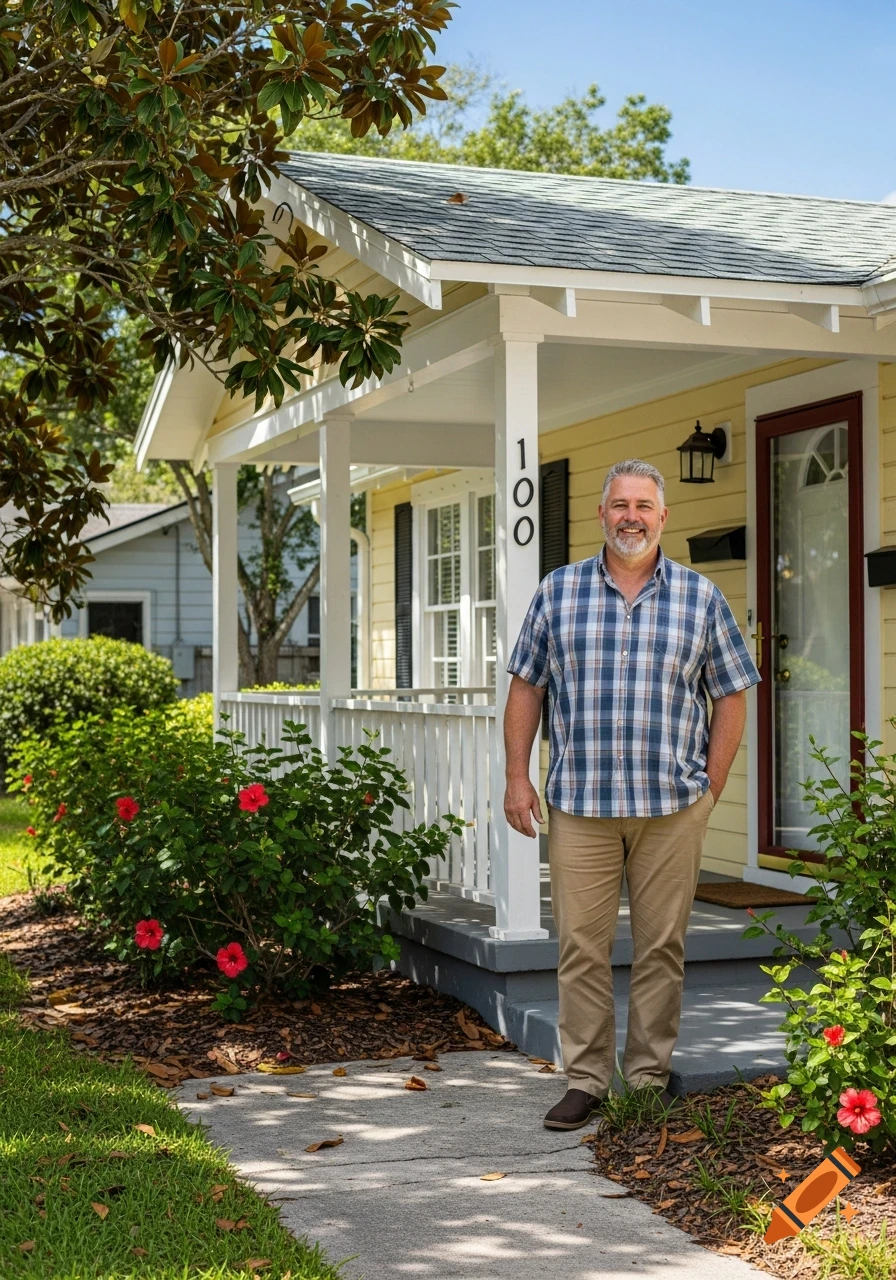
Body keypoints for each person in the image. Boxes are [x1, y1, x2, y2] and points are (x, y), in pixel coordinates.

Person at [504, 458, 760, 1130]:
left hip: (673, 806)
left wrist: (713, 783)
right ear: (602, 514)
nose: (631, 516)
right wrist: (515, 775)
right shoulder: (558, 593)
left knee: (661, 947)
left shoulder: (701, 598)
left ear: (663, 516)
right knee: (581, 947)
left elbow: (733, 691)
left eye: (643, 505)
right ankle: (586, 1079)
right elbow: (526, 686)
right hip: (581, 807)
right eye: (620, 504)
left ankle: (645, 1079)